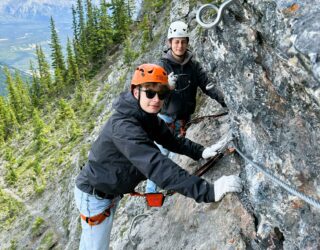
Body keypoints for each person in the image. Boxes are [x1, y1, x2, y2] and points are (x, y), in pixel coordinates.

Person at [74, 64, 242, 250]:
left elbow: (170, 140)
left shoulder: (144, 115)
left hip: (106, 193)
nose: (156, 100)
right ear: (136, 92)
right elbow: (157, 166)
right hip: (95, 198)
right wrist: (208, 191)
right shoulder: (124, 126)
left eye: (161, 94)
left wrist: (200, 151)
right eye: (150, 93)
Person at [146, 20, 228, 193]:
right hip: (166, 118)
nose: (180, 45)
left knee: (175, 155)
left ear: (187, 43)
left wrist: (225, 103)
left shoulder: (193, 66)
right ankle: (151, 193)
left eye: (183, 41)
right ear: (170, 43)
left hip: (185, 119)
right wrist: (166, 86)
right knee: (160, 155)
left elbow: (207, 86)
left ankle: (168, 187)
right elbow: (152, 94)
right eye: (176, 41)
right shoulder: (162, 66)